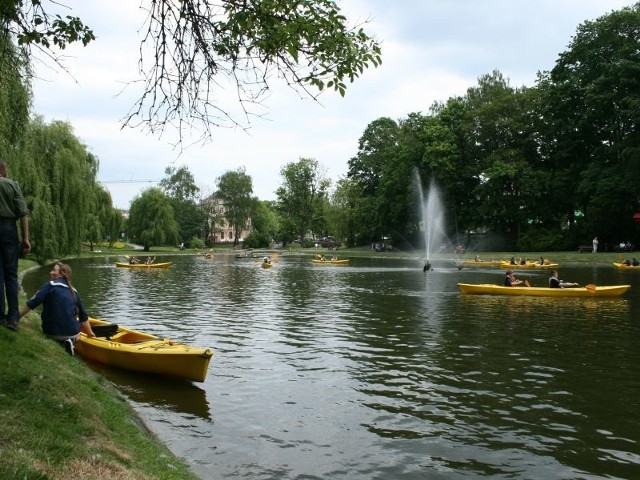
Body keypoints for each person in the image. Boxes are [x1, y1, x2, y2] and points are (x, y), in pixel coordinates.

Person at [18, 262, 95, 355]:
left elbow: (31, 304)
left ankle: (64, 341)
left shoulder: (49, 285)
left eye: (54, 270)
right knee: (77, 330)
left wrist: (16, 317)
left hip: (51, 332)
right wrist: (90, 333)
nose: (50, 272)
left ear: (61, 273)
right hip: (72, 333)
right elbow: (83, 317)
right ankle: (70, 341)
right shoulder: (74, 292)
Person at [0, 160, 31, 331]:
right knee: (11, 275)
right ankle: (12, 318)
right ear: (3, 171)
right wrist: (26, 238)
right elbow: (23, 213)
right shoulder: (12, 185)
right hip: (8, 227)